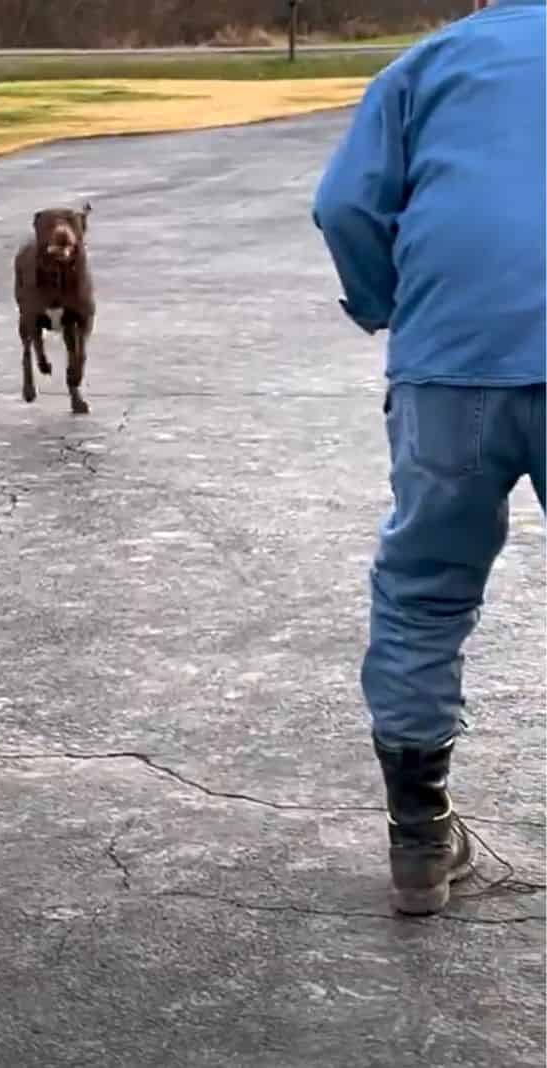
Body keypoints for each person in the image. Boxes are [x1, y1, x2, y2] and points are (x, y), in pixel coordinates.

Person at [312, 0, 546, 916]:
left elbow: (343, 204)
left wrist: (390, 307)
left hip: (450, 365)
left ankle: (418, 843)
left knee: (422, 591)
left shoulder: (430, 63)